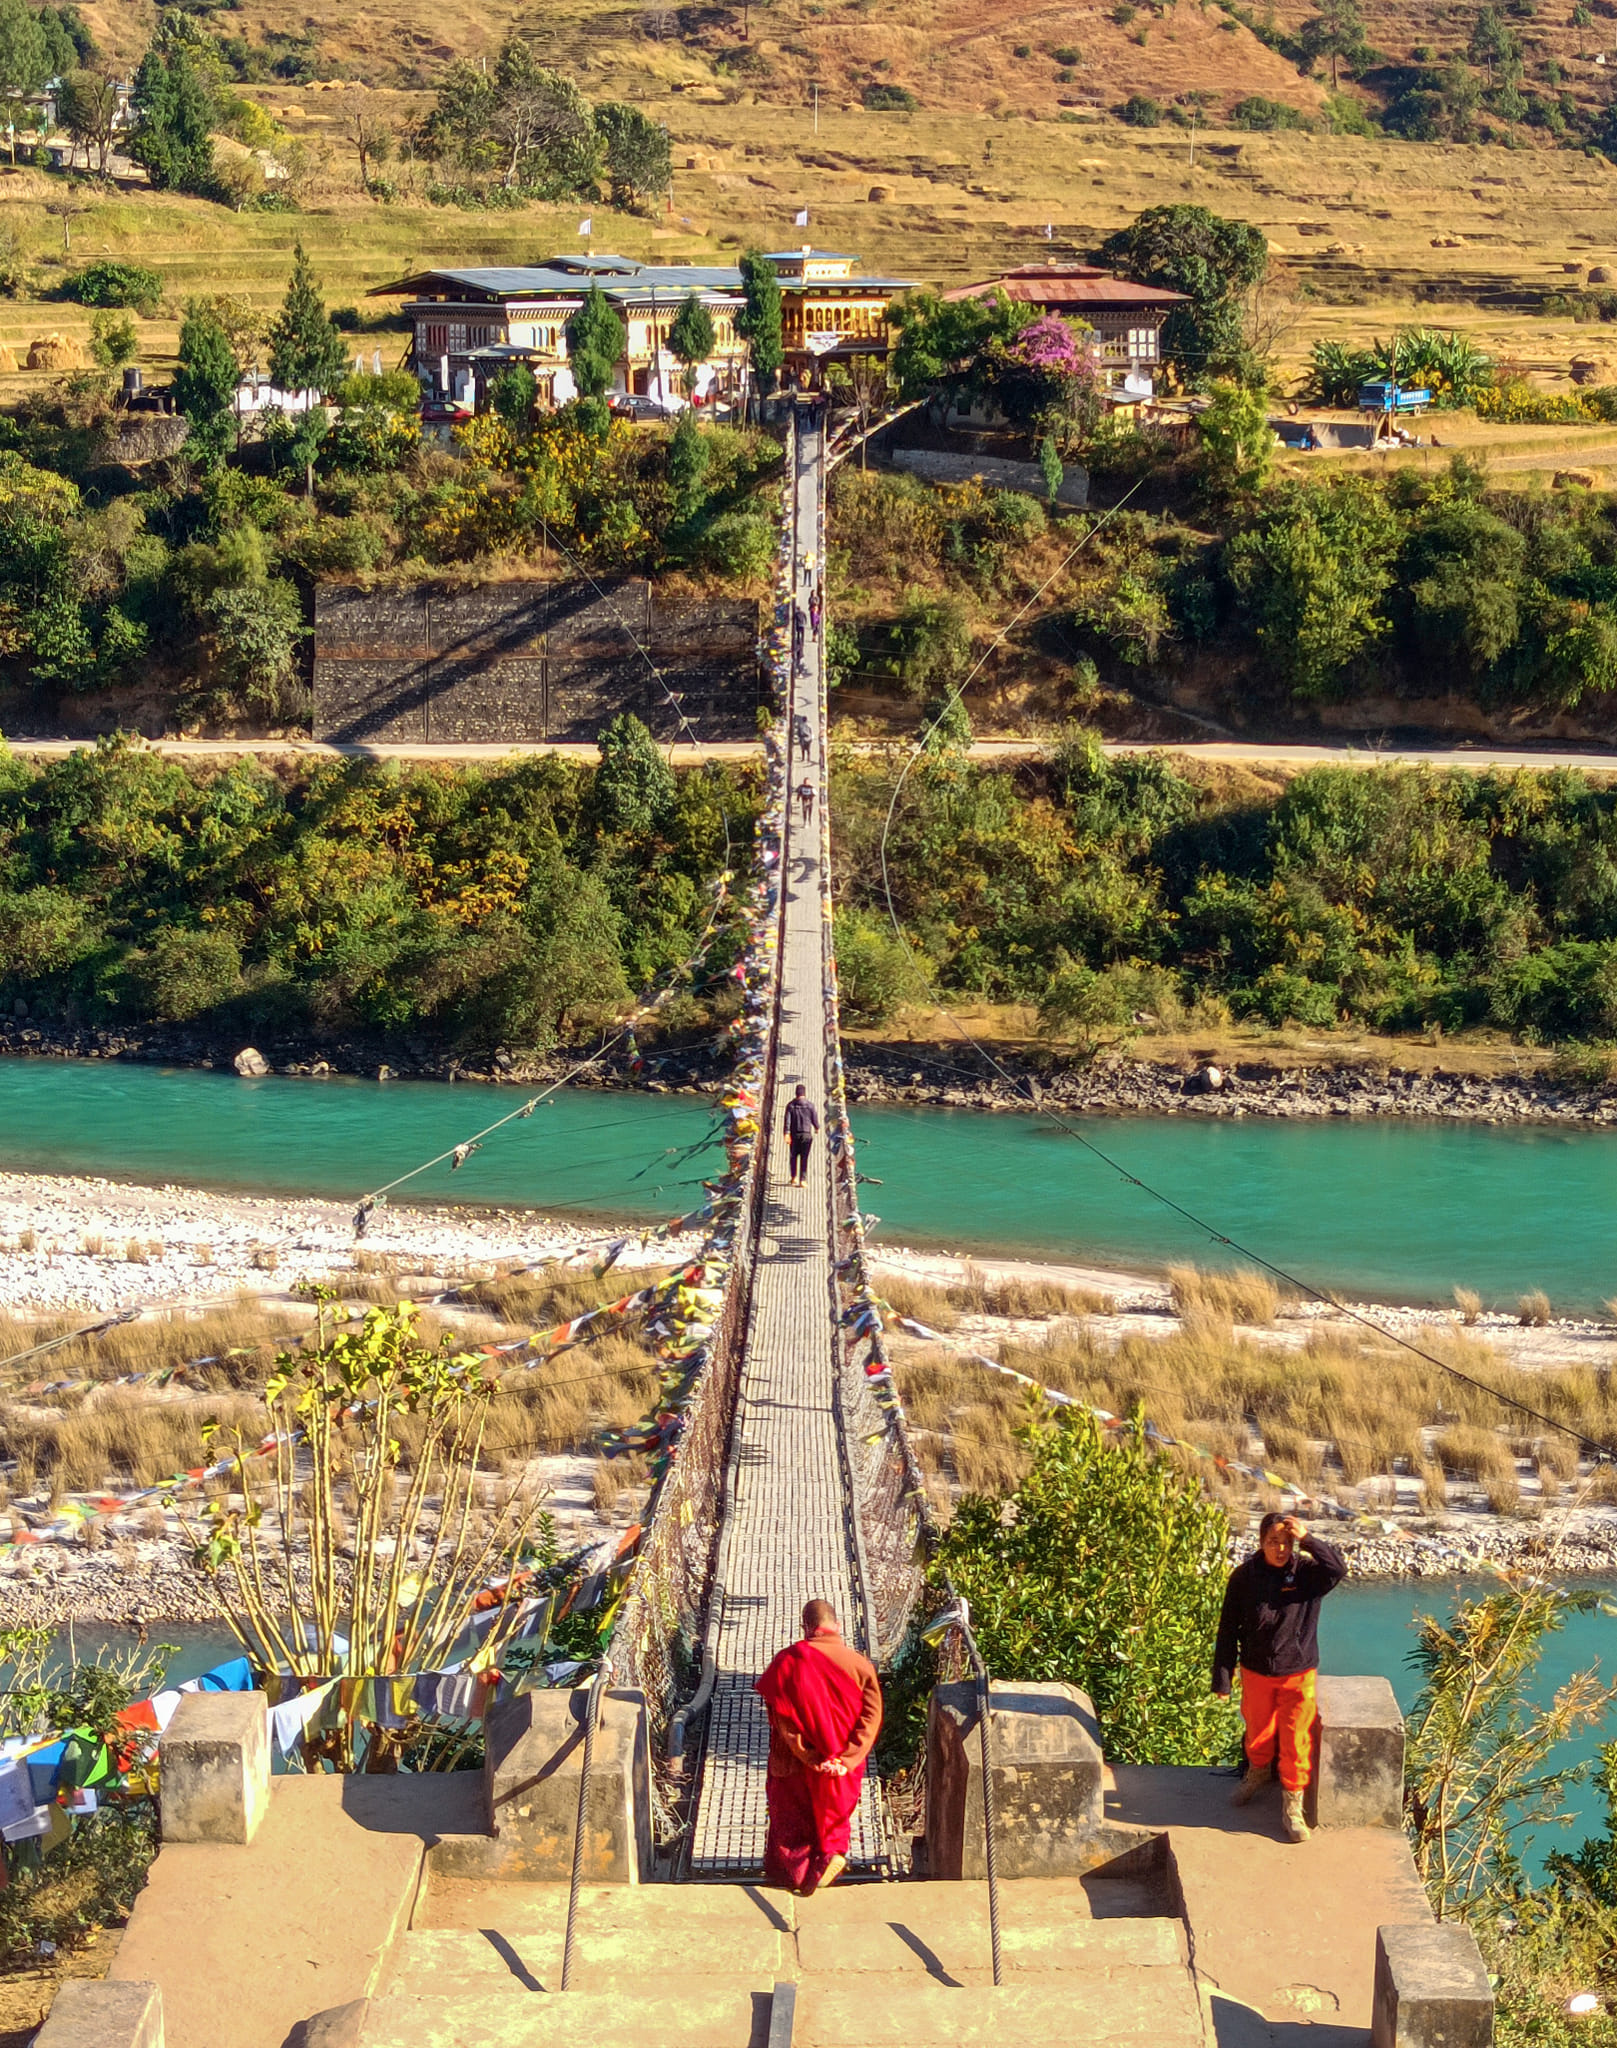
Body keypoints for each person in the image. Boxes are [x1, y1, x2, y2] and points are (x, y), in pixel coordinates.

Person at [1212, 1512, 1346, 1843]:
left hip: (1298, 1672)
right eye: (1274, 1541)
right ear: (1261, 1543)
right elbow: (1228, 1628)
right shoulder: (1244, 1577)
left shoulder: (1308, 1573)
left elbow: (1338, 1570)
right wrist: (1222, 1677)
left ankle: (1292, 1807)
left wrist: (1309, 1539)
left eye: (1287, 1542)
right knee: (1258, 1731)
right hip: (1256, 1671)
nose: (1281, 1548)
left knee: (1295, 1739)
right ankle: (1258, 1773)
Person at [755, 1598, 882, 1895]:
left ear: (806, 1628)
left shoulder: (788, 1661)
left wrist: (810, 1756)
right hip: (843, 1764)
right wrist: (849, 1758)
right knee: (832, 1813)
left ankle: (799, 1874)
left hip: (795, 1762)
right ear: (837, 1626)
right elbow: (872, 1715)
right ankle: (829, 1855)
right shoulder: (860, 1664)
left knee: (792, 1817)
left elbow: (783, 1721)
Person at [783, 1082, 819, 1185]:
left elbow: (787, 1121)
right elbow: (814, 1119)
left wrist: (786, 1133)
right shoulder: (810, 1105)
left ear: (796, 1093)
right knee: (804, 1157)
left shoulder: (791, 1105)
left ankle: (793, 1177)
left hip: (794, 1134)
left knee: (793, 1156)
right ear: (804, 1093)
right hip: (807, 1134)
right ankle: (803, 1180)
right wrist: (817, 1127)